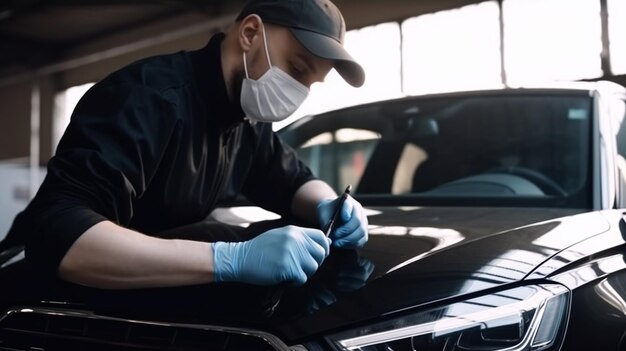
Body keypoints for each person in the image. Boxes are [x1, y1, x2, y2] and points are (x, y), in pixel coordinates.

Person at [5, 0, 368, 290]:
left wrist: (329, 203)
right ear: (250, 33)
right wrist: (229, 260)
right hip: (33, 305)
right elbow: (60, 235)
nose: (300, 91)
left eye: (311, 83)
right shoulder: (147, 97)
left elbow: (291, 181)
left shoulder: (245, 120)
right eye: (298, 68)